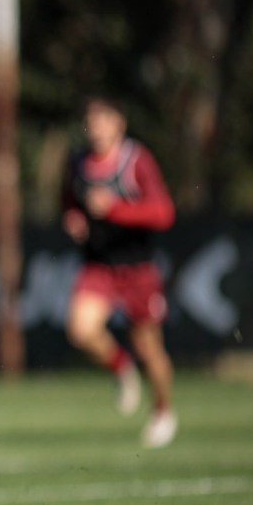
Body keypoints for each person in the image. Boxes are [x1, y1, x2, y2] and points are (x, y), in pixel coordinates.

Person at [61, 96, 177, 447]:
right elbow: (68, 200)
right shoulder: (77, 161)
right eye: (91, 120)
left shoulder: (136, 159)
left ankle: (162, 411)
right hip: (99, 265)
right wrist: (74, 218)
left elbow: (163, 212)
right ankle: (122, 368)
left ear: (119, 123)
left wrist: (116, 209)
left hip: (138, 267)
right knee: (81, 329)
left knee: (150, 347)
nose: (96, 127)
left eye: (104, 119)